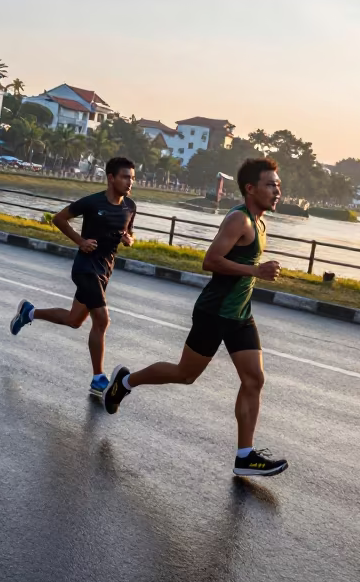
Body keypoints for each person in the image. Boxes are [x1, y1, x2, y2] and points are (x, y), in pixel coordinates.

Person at [103, 157, 288, 478]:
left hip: (240, 314)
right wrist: (256, 270)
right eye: (271, 184)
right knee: (185, 374)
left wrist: (253, 274)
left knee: (254, 379)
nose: (277, 191)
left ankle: (245, 456)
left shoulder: (259, 222)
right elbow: (210, 261)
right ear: (250, 188)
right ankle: (125, 382)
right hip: (214, 313)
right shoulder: (239, 221)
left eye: (278, 184)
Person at [9, 157, 137, 398]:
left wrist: (128, 239)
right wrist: (80, 241)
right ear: (111, 178)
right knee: (102, 320)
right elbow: (59, 218)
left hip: (104, 270)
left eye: (132, 178)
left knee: (74, 319)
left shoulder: (129, 205)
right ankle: (98, 378)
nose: (130, 182)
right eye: (125, 177)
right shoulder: (92, 202)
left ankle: (29, 312)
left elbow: (128, 232)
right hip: (85, 268)